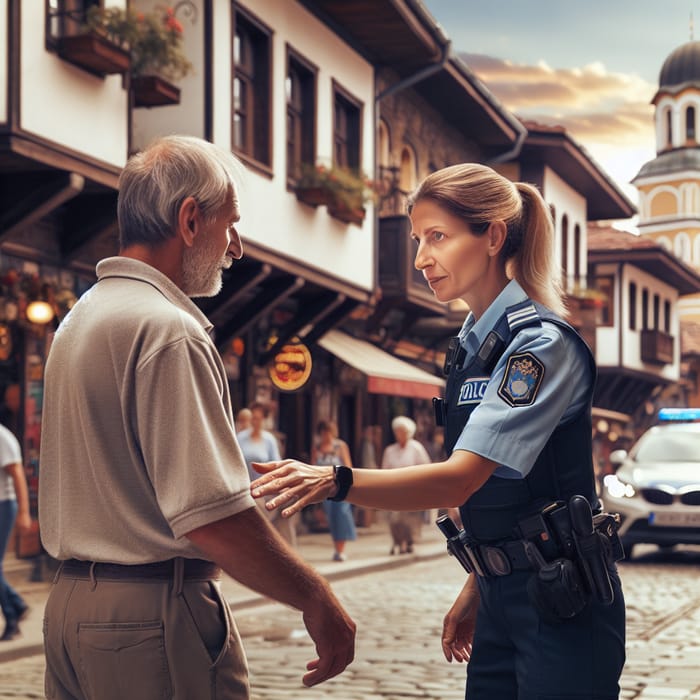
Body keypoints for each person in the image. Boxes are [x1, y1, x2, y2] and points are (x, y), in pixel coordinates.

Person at [251, 162, 626, 699]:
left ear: (493, 235)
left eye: (438, 237)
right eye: (417, 240)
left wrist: (337, 480)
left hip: (563, 602)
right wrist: (481, 584)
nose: (422, 258)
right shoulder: (468, 351)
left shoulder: (540, 346)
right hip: (503, 597)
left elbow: (460, 480)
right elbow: (510, 497)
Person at [38, 135, 355, 699]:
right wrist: (317, 596)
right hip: (152, 616)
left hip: (69, 609)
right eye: (230, 224)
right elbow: (212, 519)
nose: (236, 247)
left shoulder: (79, 318)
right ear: (189, 220)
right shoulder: (167, 328)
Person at [237, 402, 297, 546]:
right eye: (253, 418)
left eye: (258, 418)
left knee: (283, 517)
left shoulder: (269, 440)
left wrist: (282, 484)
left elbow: (276, 465)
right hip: (246, 489)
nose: (255, 421)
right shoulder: (240, 437)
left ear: (264, 419)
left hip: (265, 490)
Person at [381, 416, 431, 554]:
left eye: (401, 431)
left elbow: (425, 467)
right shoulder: (390, 450)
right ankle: (398, 541)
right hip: (394, 488)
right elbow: (384, 469)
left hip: (411, 488)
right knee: (394, 519)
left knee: (409, 519)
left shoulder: (416, 448)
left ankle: (408, 542)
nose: (398, 434)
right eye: (396, 431)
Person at [0, 417, 31, 641]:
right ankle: (17, 605)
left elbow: (18, 474)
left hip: (4, 505)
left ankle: (12, 618)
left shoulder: (2, 436)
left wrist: (23, 512)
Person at [311, 421, 356, 562]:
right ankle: (336, 548)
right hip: (325, 489)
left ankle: (341, 549)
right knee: (331, 518)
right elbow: (313, 467)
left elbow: (348, 465)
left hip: (340, 487)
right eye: (324, 432)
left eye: (329, 432)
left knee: (342, 515)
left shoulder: (340, 446)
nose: (327, 435)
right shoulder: (317, 448)